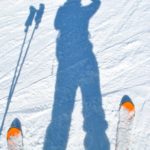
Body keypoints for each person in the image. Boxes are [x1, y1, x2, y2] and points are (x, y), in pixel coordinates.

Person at [43, 0, 110, 149]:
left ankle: (55, 146)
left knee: (62, 110)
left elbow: (56, 25)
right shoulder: (82, 12)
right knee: (93, 106)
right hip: (86, 63)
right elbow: (96, 4)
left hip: (66, 67)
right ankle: (97, 144)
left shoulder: (63, 13)